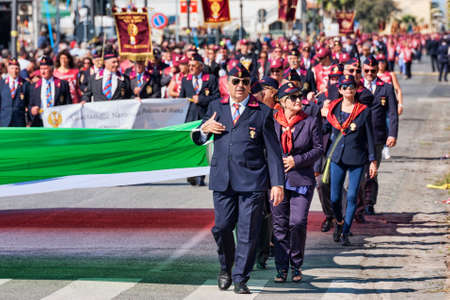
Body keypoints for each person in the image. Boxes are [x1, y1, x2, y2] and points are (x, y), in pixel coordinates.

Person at [191, 63, 284, 294]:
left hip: (252, 181)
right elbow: (197, 138)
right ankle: (226, 267)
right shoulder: (216, 106)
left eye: (245, 82)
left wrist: (277, 183)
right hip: (223, 180)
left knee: (247, 231)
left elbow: (273, 151)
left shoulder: (261, 112)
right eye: (236, 81)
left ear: (250, 85)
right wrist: (204, 129)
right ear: (227, 84)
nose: (240, 86)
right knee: (222, 228)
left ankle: (241, 277)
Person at [271, 83, 323, 283]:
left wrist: (296, 160)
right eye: (292, 98)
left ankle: (296, 263)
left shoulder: (309, 121)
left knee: (298, 222)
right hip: (277, 180)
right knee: (279, 225)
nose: (297, 100)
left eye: (299, 96)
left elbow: (318, 148)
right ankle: (282, 267)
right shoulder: (273, 121)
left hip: (301, 178)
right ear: (283, 102)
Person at [326, 75, 377, 246]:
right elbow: (324, 131)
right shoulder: (333, 109)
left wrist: (373, 160)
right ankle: (339, 222)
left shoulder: (363, 110)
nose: (349, 90)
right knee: (334, 198)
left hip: (357, 158)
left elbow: (370, 137)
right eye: (345, 87)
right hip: (337, 157)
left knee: (353, 195)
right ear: (339, 90)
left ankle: (346, 231)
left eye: (352, 87)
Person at [362, 56, 398, 215]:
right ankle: (357, 203)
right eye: (367, 70)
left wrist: (392, 134)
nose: (370, 73)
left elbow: (392, 114)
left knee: (372, 171)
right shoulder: (356, 87)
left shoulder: (387, 88)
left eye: (373, 70)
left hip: (377, 135)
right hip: (359, 136)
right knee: (358, 171)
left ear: (377, 70)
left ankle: (369, 202)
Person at [180, 53, 220, 186]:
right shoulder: (185, 80)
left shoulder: (211, 79)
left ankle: (201, 176)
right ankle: (191, 174)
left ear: (201, 66)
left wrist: (201, 99)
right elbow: (181, 99)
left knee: (203, 146)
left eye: (193, 65)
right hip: (190, 117)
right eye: (189, 65)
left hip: (204, 117)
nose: (190, 68)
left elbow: (216, 97)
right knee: (191, 146)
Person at [28, 56, 72, 127]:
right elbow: (30, 105)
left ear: (52, 69)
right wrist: (32, 110)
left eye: (45, 68)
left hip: (57, 122)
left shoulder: (62, 84)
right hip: (40, 122)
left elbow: (68, 104)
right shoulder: (34, 86)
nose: (43, 71)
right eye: (41, 69)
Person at [0, 58, 29, 127]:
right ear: (8, 69)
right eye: (12, 68)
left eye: (16, 68)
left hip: (19, 122)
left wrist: (29, 120)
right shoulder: (2, 84)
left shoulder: (25, 84)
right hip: (4, 122)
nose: (14, 71)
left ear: (19, 70)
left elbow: (28, 103)